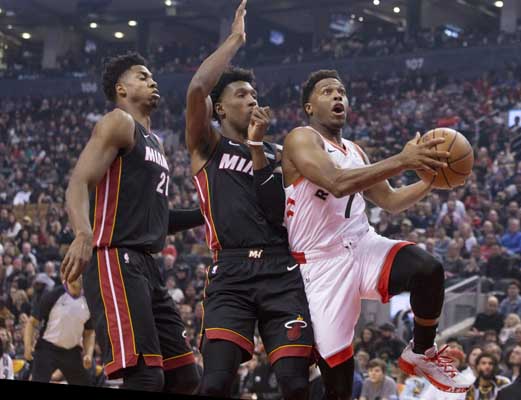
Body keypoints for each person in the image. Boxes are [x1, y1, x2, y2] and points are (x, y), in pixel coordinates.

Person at [281, 68, 473, 397]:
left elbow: (391, 201)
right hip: (321, 265)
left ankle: (421, 350)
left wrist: (430, 179)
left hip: (363, 245)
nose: (337, 96)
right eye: (327, 92)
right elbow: (337, 184)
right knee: (339, 385)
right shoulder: (301, 138)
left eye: (341, 91)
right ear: (309, 107)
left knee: (428, 268)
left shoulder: (355, 151)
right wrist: (402, 159)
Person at [184, 1, 313, 397]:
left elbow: (282, 213)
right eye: (242, 94)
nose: (253, 100)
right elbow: (196, 89)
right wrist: (236, 39)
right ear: (219, 108)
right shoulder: (208, 145)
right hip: (232, 273)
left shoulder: (279, 152)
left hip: (282, 269)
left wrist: (258, 147)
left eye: (255, 95)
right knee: (217, 381)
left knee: (294, 382)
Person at [60, 51, 204, 393]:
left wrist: (209, 212)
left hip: (146, 265)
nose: (152, 80)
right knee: (145, 376)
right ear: (121, 90)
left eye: (152, 76)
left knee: (185, 376)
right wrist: (83, 232)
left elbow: (156, 218)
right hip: (114, 258)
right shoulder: (119, 122)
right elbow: (78, 182)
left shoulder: (154, 142)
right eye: (142, 76)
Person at [23, 277, 94, 385]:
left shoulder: (89, 301)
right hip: (47, 349)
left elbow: (89, 332)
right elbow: (32, 322)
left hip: (72, 351)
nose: (78, 276)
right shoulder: (53, 295)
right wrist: (27, 346)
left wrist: (88, 353)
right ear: (66, 277)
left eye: (80, 274)